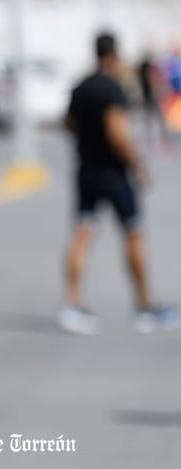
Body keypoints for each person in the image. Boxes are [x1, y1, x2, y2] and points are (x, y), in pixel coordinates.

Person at [59, 32, 179, 335]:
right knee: (134, 234)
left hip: (86, 171)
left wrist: (87, 142)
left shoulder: (81, 87)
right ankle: (145, 306)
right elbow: (116, 132)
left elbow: (69, 123)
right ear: (114, 55)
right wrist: (136, 164)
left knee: (82, 234)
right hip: (113, 175)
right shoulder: (112, 89)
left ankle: (72, 304)